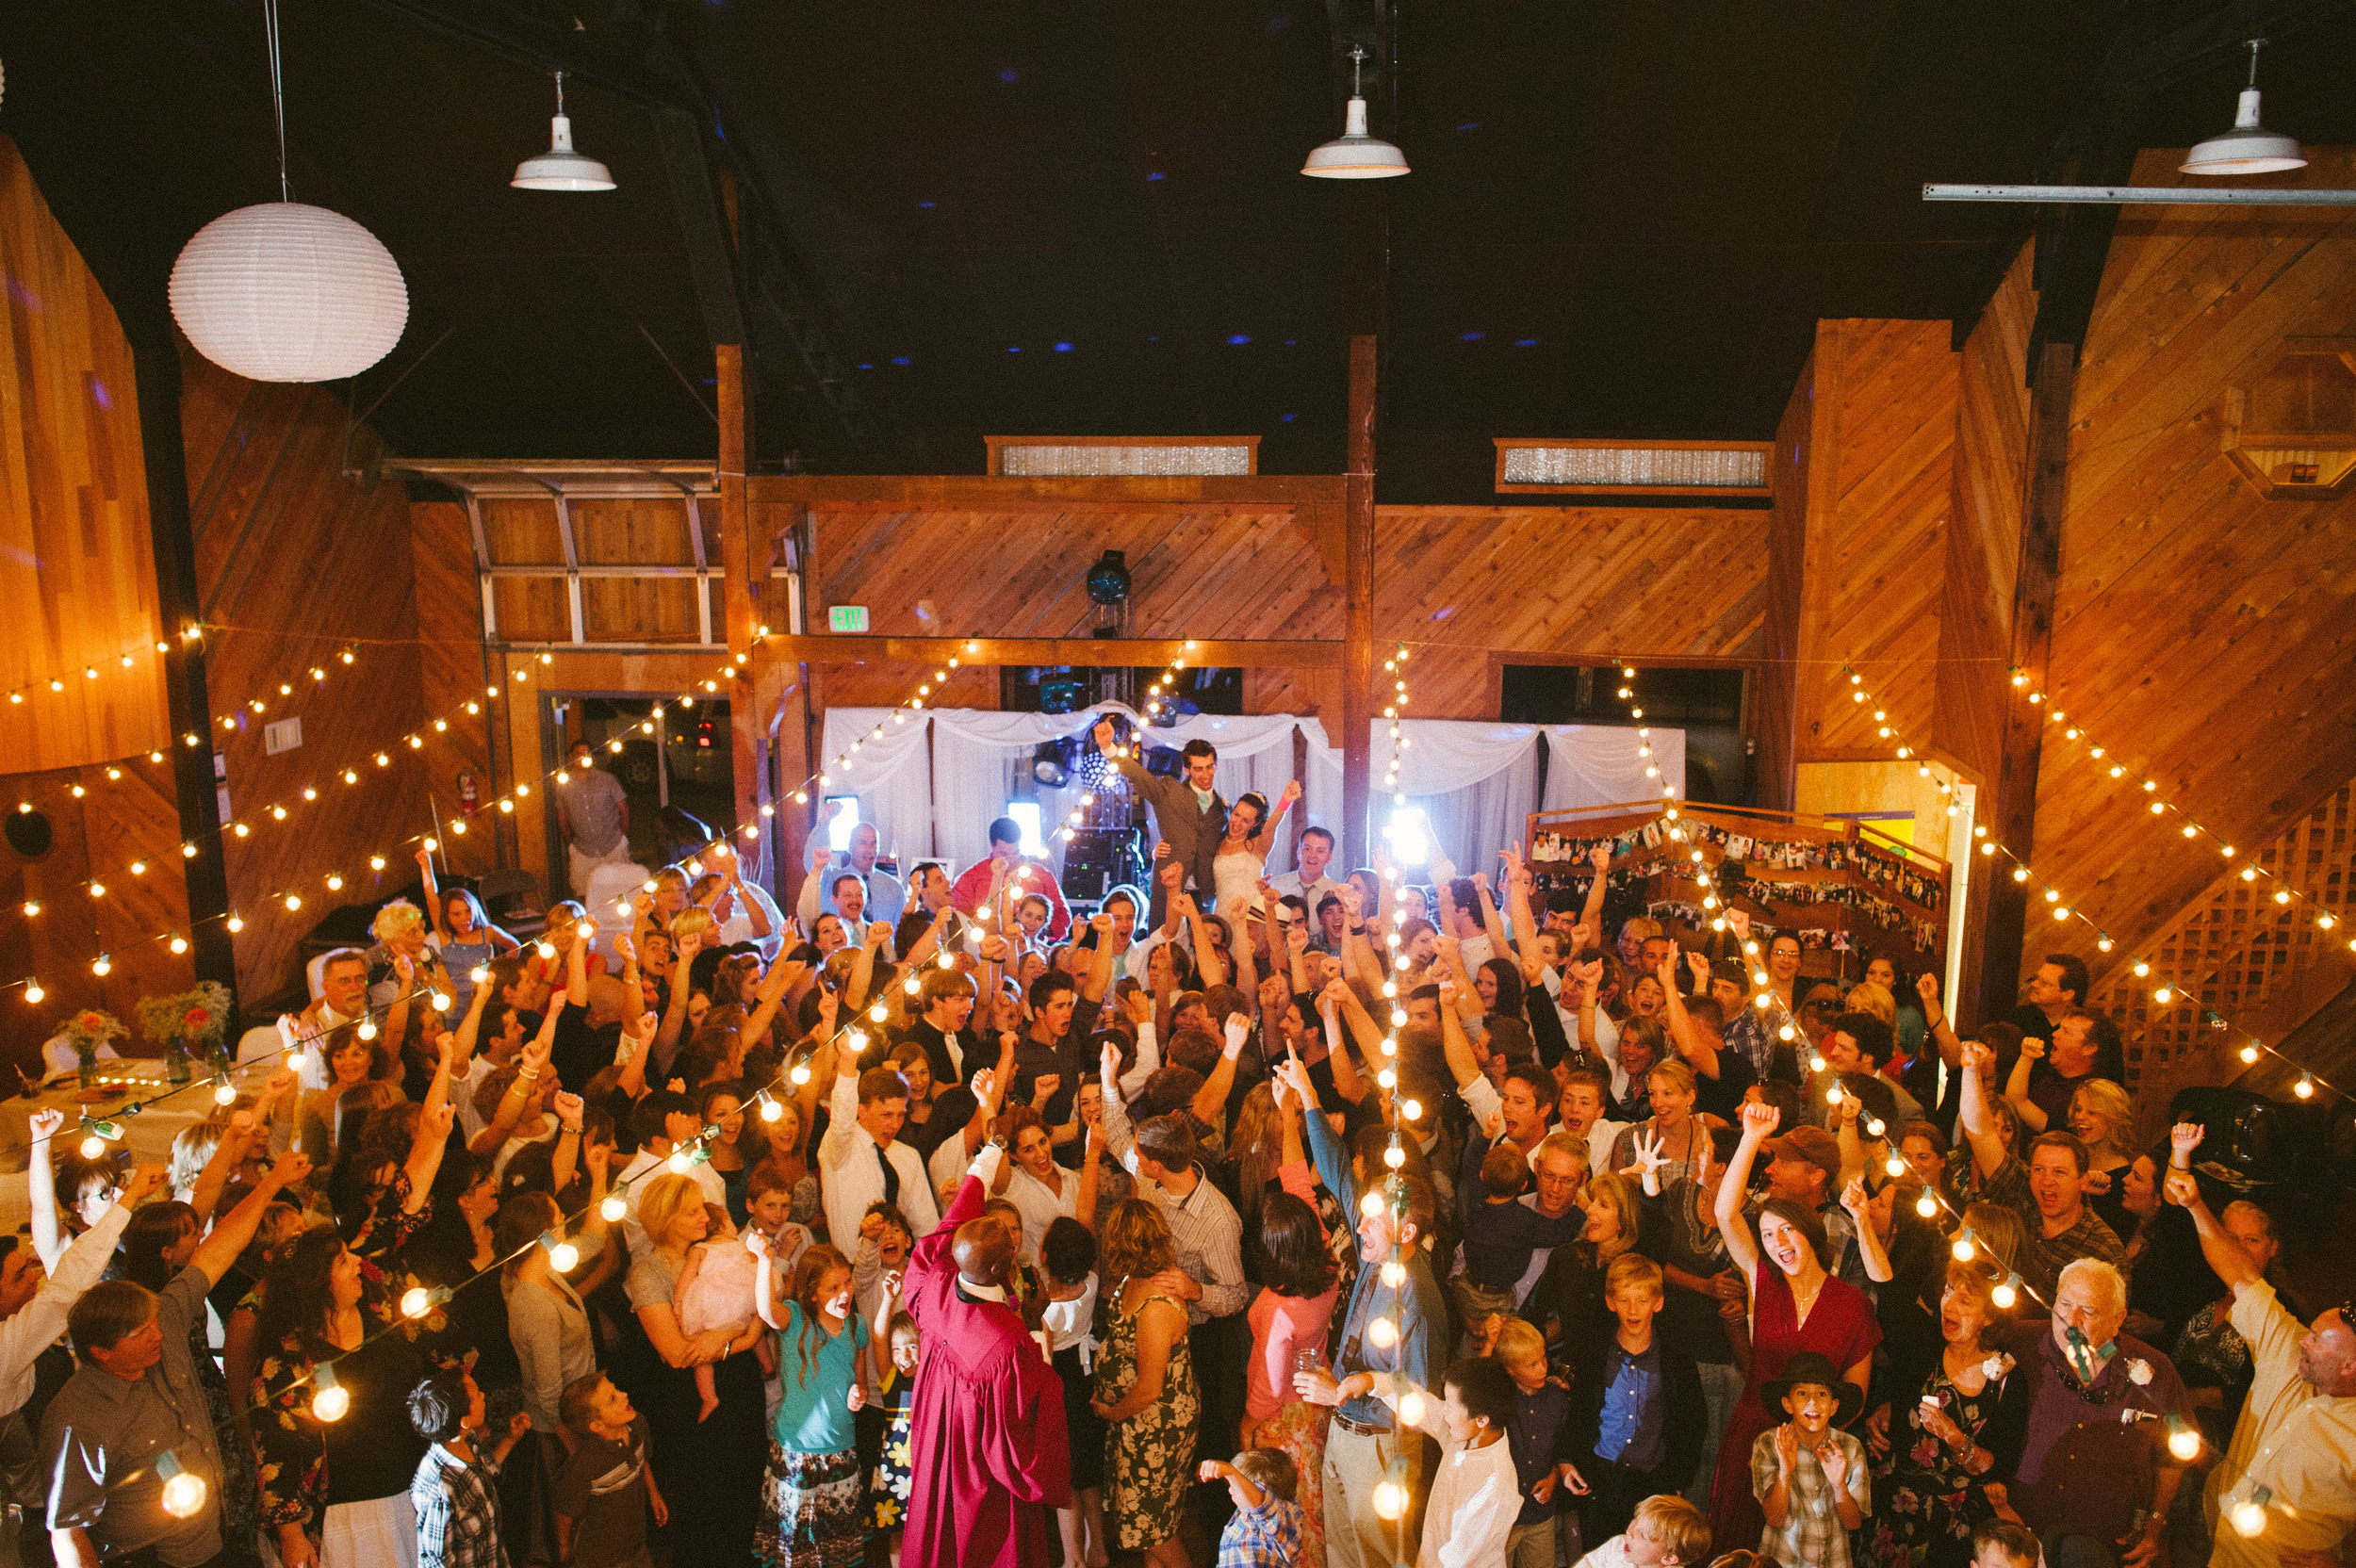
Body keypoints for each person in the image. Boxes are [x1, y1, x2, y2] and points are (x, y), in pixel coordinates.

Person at [1283, 1054, 1448, 1568]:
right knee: (1342, 1556)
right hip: (1343, 1430)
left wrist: (1348, 1389)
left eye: (1372, 1224)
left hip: (1381, 1450)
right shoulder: (1382, 1247)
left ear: (1407, 1233)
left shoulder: (1416, 1296)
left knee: (1376, 1559)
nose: (1361, 1228)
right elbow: (1335, 1171)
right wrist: (1308, 1096)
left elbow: (1417, 1398)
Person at [2163, 1132, 2356, 1568]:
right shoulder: (2287, 1348)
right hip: (2211, 1539)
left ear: (2350, 1365)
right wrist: (2196, 1207)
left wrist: (2343, 1562)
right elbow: (2235, 1270)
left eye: (2318, 1341)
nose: (2302, 1339)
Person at [1709, 1102, 1882, 1558]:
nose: (1778, 1244)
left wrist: (1806, 1451)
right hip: (1751, 1436)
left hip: (1816, 1457)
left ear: (1810, 1232)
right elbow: (1726, 1215)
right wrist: (1750, 1136)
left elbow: (1853, 1402)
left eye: (1787, 1231)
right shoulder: (1762, 1282)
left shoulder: (1853, 1305)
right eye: (1768, 1235)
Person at [899, 1139, 1072, 1568]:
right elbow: (1026, 1434)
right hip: (979, 1474)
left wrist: (990, 1152)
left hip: (936, 1448)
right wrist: (1037, 1336)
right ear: (1006, 1265)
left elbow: (950, 1221)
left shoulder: (930, 1283)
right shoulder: (1008, 1343)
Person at [2008, 1258, 2188, 1568]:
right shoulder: (2022, 1342)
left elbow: (2172, 1458)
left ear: (2118, 1319)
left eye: (2088, 1311)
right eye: (2064, 1303)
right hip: (2022, 1537)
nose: (2070, 1320)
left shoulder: (2155, 1370)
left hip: (2106, 1548)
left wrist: (2155, 1528)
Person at [1863, 1262, 2030, 1568]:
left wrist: (1954, 1437)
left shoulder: (2008, 1379)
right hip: (1894, 1505)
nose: (1949, 1305)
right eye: (1947, 1292)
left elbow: (1999, 1467)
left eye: (1964, 1301)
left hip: (1955, 1523)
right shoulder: (1925, 1346)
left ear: (1990, 1316)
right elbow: (1891, 1297)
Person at [1567, 1254, 1707, 1551]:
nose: (1633, 1310)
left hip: (1653, 1481)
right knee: (1601, 1553)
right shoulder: (1595, 1350)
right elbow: (1578, 1410)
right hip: (1602, 1478)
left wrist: (1678, 1478)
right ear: (1610, 1302)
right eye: (1625, 1300)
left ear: (1658, 1303)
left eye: (1642, 1301)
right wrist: (1568, 1460)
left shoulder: (1675, 1355)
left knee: (1648, 1555)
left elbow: (1694, 1420)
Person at [1092, 1200, 1203, 1568]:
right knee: (1148, 1522)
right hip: (1137, 1424)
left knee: (1154, 1528)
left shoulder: (1157, 1304)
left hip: (1157, 1427)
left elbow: (1149, 1388)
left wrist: (1112, 1412)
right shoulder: (1132, 1281)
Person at [746, 1242, 871, 1568]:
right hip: (797, 1452)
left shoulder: (857, 1326)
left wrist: (858, 1395)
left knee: (835, 1548)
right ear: (813, 1293)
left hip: (841, 1450)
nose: (845, 1292)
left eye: (848, 1282)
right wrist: (764, 1261)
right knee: (798, 1548)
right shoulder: (796, 1318)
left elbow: (861, 1382)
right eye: (833, 1287)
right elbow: (765, 1309)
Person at [1366, 1359, 1521, 1568]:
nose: (1444, 1410)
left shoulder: (1496, 1486)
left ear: (1482, 1420)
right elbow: (1419, 1402)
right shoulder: (1465, 1432)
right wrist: (1372, 1381)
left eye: (1450, 1404)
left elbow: (1457, 1559)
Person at [1096, 717, 1228, 925]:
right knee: (1162, 950)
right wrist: (1108, 748)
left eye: (1209, 767)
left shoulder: (1223, 810)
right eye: (1199, 768)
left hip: (1203, 898)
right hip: (1168, 892)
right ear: (1187, 769)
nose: (1206, 774)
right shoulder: (1169, 791)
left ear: (1216, 765)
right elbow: (1139, 776)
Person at [1750, 1350, 1873, 1568]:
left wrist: (1839, 1486)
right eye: (1801, 1393)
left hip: (1834, 1562)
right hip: (1782, 1562)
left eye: (1822, 1394)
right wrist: (1785, 1473)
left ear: (1834, 1407)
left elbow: (1853, 1523)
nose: (1812, 1403)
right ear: (1788, 1405)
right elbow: (1774, 1518)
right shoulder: (1769, 1443)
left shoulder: (1850, 1448)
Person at [407, 1368, 532, 1568]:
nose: (483, 1396)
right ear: (463, 1421)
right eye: (475, 1395)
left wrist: (510, 1440)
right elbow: (436, 1562)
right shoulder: (438, 1491)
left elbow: (484, 1474)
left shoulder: (467, 1439)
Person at [1484, 1316, 1575, 1568]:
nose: (1543, 1368)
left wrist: (1554, 1475)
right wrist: (1490, 1345)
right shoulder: (1499, 1398)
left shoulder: (1557, 1399)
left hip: (1540, 1517)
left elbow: (1563, 1448)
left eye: (1544, 1358)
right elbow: (1471, 1388)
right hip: (1502, 1518)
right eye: (1532, 1364)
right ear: (1510, 1370)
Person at [551, 1374, 663, 1568]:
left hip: (637, 1546)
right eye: (612, 1398)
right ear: (597, 1426)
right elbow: (564, 1511)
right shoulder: (584, 1465)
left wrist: (653, 1493)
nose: (624, 1394)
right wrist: (564, 1547)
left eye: (616, 1389)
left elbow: (642, 1460)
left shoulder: (637, 1425)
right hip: (600, 1559)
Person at [948, 817, 1072, 941]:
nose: (1011, 859)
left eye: (1016, 852)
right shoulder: (973, 877)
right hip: (988, 948)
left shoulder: (1041, 874)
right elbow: (956, 917)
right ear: (992, 845)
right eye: (1004, 854)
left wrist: (1038, 935)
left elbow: (1063, 916)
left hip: (1032, 951)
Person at [1198, 1449, 1306, 1568]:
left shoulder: (1286, 1520)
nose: (1230, 1490)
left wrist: (1231, 1472)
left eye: (1235, 1486)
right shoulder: (1242, 1516)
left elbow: (1263, 1505)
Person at [553, 739, 632, 895]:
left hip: (612, 845)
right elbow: (562, 817)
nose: (582, 758)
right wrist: (570, 845)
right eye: (578, 754)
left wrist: (622, 838)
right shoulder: (563, 784)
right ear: (571, 756)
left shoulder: (607, 779)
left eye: (586, 754)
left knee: (618, 891)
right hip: (583, 849)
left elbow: (624, 810)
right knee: (584, 892)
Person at [1572, 1492, 1714, 1568]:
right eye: (1635, 1521)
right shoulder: (1617, 1546)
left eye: (1642, 1535)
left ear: (1668, 1558)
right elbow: (1588, 1564)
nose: (1629, 1531)